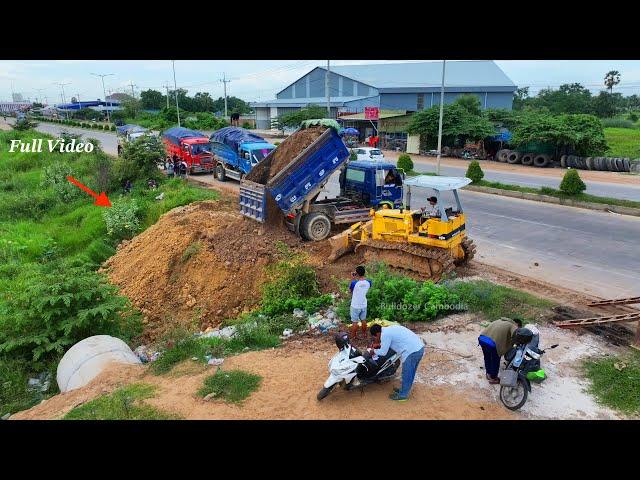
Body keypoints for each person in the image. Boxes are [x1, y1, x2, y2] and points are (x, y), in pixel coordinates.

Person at [369, 323, 425, 402]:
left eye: (375, 336)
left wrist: (373, 351)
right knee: (411, 372)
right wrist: (378, 345)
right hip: (418, 347)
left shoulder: (385, 335)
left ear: (378, 333)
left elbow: (383, 352)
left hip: (412, 352)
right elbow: (389, 343)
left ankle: (403, 395)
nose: (376, 338)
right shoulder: (389, 329)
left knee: (407, 373)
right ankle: (404, 390)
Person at [478, 318, 522, 384]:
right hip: (492, 343)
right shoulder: (513, 325)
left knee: (487, 357)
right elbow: (516, 336)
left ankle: (488, 374)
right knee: (495, 360)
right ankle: (493, 378)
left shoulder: (499, 320)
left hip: (482, 339)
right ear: (517, 324)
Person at [349, 265, 371, 340]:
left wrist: (352, 278)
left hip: (355, 305)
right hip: (364, 304)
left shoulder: (354, 283)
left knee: (354, 322)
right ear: (364, 273)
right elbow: (365, 281)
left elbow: (350, 291)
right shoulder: (369, 282)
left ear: (357, 274)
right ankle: (364, 334)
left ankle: (353, 337)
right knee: (363, 320)